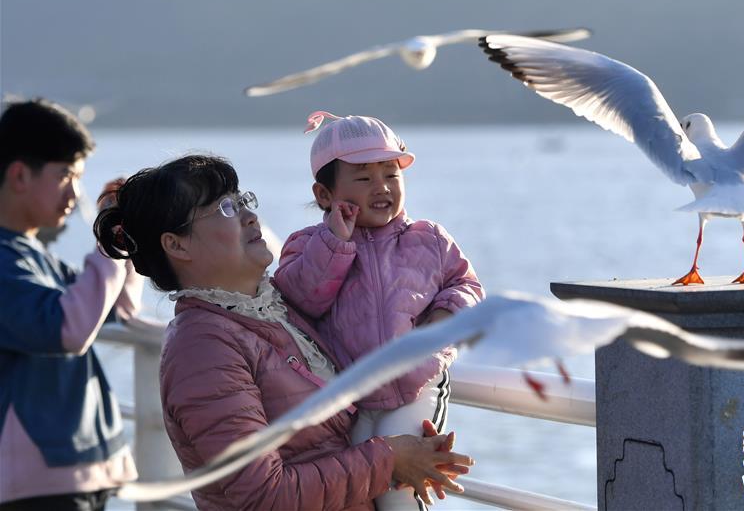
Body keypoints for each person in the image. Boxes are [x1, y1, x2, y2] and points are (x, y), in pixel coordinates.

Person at [93, 154, 472, 510]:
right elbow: (262, 494)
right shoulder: (202, 350)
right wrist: (390, 459)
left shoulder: (278, 310)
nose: (250, 216)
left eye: (243, 201)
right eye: (226, 208)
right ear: (177, 245)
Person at [273, 112, 484, 509]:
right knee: (358, 494)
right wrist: (335, 242)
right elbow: (301, 299)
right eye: (364, 178)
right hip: (349, 405)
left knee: (398, 494)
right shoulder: (306, 245)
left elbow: (467, 286)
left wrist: (440, 325)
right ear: (324, 194)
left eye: (391, 174)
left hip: (415, 388)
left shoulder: (428, 238)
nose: (382, 187)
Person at [0, 99, 143, 510]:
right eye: (65, 175)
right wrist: (107, 243)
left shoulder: (31, 255)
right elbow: (69, 329)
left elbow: (116, 309)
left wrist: (122, 235)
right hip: (36, 482)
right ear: (19, 175)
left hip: (72, 471)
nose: (75, 193)